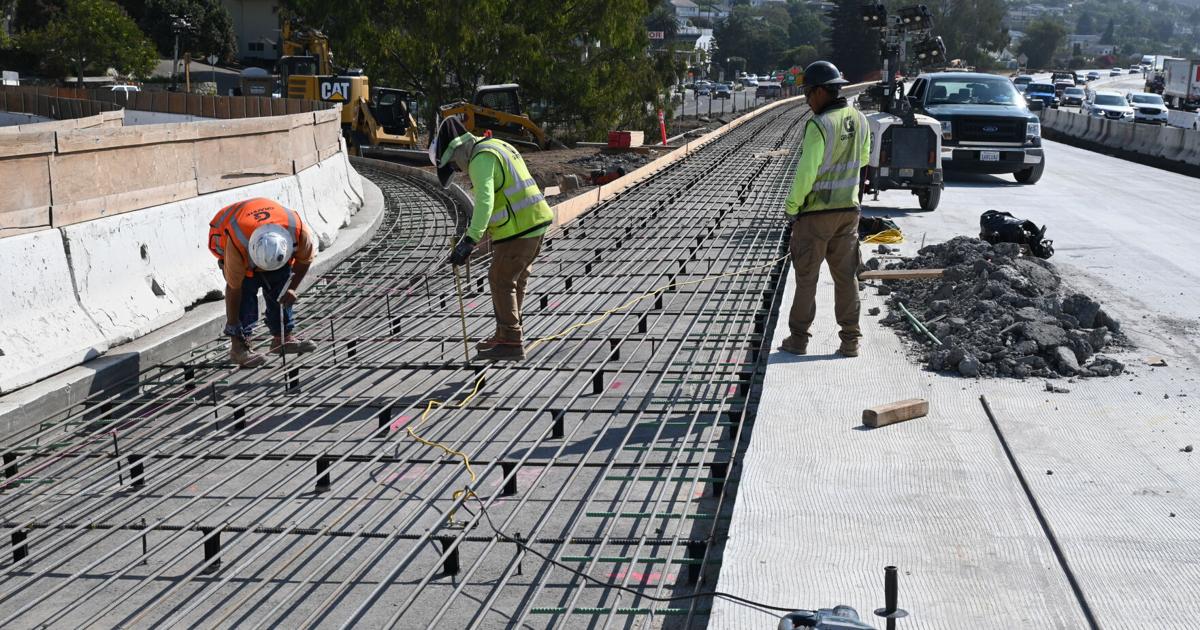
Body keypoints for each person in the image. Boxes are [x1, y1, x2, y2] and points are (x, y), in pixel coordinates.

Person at [430, 116, 554, 361]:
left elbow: (484, 203)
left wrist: (470, 239)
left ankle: (510, 338)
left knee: (499, 278)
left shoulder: (479, 160)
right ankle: (506, 333)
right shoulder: (497, 145)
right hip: (534, 223)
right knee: (513, 280)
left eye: (454, 165)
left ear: (457, 150)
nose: (459, 170)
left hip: (518, 229)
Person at [779, 60, 871, 358]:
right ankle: (850, 341)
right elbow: (864, 163)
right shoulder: (860, 119)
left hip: (816, 214)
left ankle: (798, 339)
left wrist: (792, 208)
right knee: (847, 277)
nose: (807, 100)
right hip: (849, 212)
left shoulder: (819, 125)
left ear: (821, 91)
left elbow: (806, 173)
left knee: (807, 279)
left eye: (808, 93)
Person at [207, 197, 317, 367]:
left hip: (272, 248)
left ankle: (282, 338)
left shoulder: (296, 229)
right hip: (230, 236)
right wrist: (233, 326)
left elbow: (305, 259)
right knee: (245, 295)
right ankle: (239, 348)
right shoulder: (238, 244)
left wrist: (291, 288)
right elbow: (233, 289)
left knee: (281, 287)